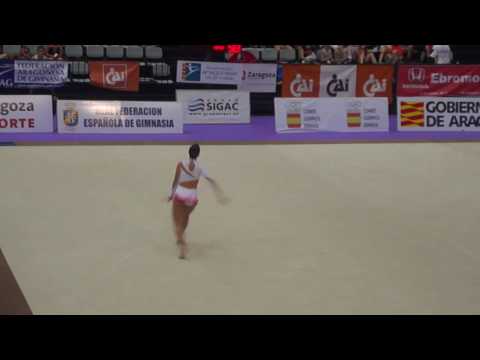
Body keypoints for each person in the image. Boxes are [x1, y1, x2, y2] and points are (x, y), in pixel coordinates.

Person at [167, 144, 229, 259]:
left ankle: (182, 246)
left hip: (181, 194)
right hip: (192, 197)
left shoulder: (181, 164)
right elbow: (211, 181)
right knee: (185, 217)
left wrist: (171, 194)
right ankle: (180, 238)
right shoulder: (200, 168)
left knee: (177, 222)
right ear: (198, 155)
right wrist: (220, 195)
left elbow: (175, 181)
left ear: (188, 152)